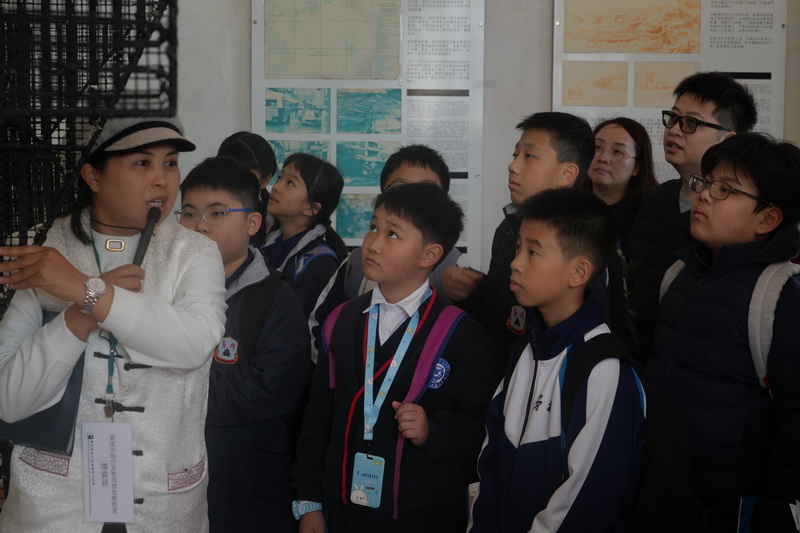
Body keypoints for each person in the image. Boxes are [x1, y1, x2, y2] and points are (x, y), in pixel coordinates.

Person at [0, 117, 227, 531]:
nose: (162, 179)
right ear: (93, 176)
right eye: (142, 163)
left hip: (163, 501)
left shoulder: (195, 252)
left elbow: (194, 344)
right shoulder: (41, 248)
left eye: (171, 163)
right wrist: (78, 316)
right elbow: (9, 400)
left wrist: (88, 293)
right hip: (53, 505)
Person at [292, 183, 497, 533]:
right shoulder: (340, 321)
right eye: (373, 227)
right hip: (342, 505)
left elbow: (481, 430)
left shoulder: (464, 337)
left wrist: (433, 431)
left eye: (392, 234)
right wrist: (308, 501)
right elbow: (317, 418)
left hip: (423, 514)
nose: (373, 243)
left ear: (429, 255)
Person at [646, 133, 800, 532]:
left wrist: (776, 507)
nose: (703, 195)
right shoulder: (678, 272)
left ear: (767, 219)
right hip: (661, 481)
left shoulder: (780, 295)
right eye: (706, 182)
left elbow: (795, 423)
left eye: (725, 190)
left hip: (732, 500)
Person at [469, 187, 645, 532]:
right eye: (518, 248)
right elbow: (491, 457)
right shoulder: (527, 346)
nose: (515, 263)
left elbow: (586, 502)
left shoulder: (603, 369)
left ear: (578, 273)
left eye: (533, 252)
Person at [177, 157, 311, 532]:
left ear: (252, 223)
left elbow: (270, 390)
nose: (199, 225)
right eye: (188, 213)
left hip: (246, 482)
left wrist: (175, 388)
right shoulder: (163, 291)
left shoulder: (275, 298)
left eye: (217, 213)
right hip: (175, 475)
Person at [442, 112, 604, 368]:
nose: (513, 166)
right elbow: (502, 313)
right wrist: (473, 291)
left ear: (566, 174)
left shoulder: (584, 243)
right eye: (515, 154)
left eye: (529, 156)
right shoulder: (508, 229)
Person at [627, 71, 757, 356]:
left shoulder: (736, 216)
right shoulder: (656, 198)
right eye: (673, 118)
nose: (674, 130)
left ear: (727, 139)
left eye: (691, 123)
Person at [309, 144, 463, 354]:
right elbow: (319, 330)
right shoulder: (354, 268)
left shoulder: (455, 270)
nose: (409, 200)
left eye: (424, 191)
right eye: (373, 228)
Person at [261, 153, 347, 317]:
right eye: (280, 178)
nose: (276, 187)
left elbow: (292, 323)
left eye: (290, 183)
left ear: (312, 208)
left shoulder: (319, 264)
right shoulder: (268, 243)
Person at [581, 117, 658, 258]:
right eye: (597, 147)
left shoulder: (648, 217)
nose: (603, 158)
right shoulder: (568, 203)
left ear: (637, 167)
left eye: (617, 151)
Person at [217, 131, 278, 246]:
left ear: (265, 180)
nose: (233, 181)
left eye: (243, 175)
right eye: (227, 172)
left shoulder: (274, 225)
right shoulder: (204, 211)